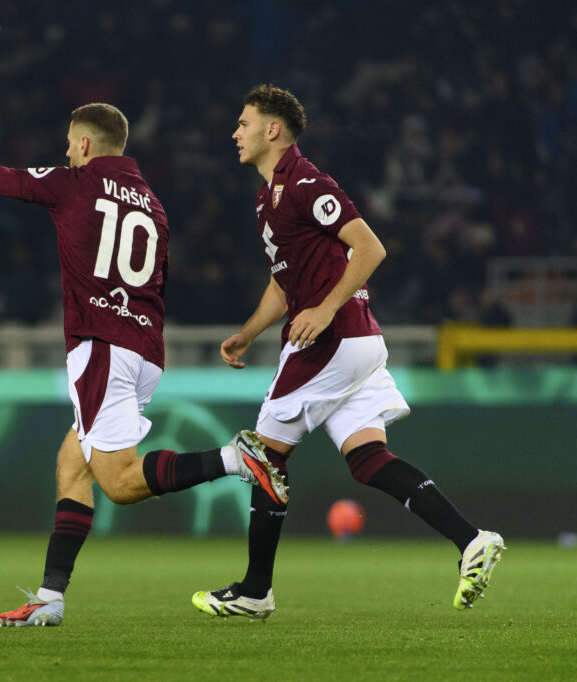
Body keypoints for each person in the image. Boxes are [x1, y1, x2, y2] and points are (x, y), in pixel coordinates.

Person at [0, 102, 288, 627]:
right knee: (71, 464)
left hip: (100, 346)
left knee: (121, 484)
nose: (65, 151)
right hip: (144, 348)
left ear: (84, 144)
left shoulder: (73, 182)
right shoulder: (153, 203)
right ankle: (50, 597)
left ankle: (236, 460)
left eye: (68, 141)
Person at [191, 84, 504, 621]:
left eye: (244, 123)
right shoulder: (268, 199)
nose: (234, 132)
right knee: (368, 461)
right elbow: (283, 284)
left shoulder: (307, 181)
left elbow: (370, 246)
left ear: (273, 129)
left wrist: (326, 308)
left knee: (264, 457)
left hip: (331, 341)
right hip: (354, 343)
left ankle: (254, 591)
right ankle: (472, 540)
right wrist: (249, 332)